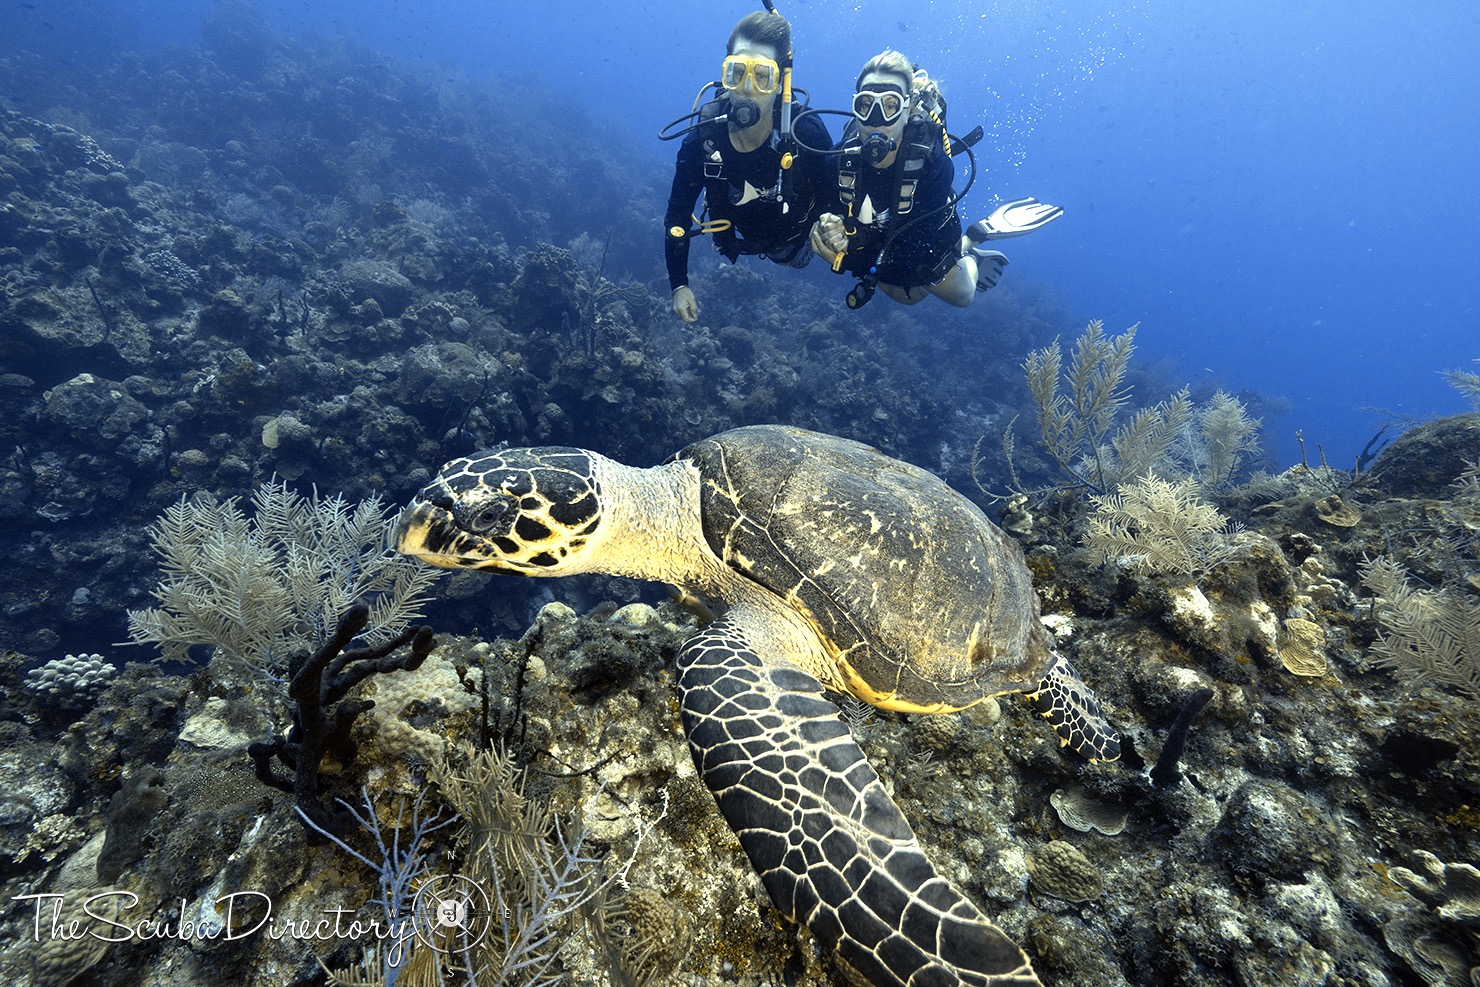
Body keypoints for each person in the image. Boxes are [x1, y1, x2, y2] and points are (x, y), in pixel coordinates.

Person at [809, 51, 1036, 309]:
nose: (876, 120)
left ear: (907, 109)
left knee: (937, 295)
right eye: (865, 105)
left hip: (924, 239)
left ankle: (971, 243)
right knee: (895, 289)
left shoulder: (934, 167)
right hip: (878, 235)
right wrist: (832, 228)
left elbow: (905, 267)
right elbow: (824, 212)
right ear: (855, 107)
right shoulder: (838, 160)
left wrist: (843, 259)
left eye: (890, 105)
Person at [662, 11, 833, 323]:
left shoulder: (806, 134)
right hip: (736, 239)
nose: (748, 87)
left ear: (781, 81)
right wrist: (679, 284)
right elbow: (677, 217)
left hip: (797, 246)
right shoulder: (703, 140)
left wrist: (837, 235)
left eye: (763, 75)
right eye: (737, 71)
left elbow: (836, 197)